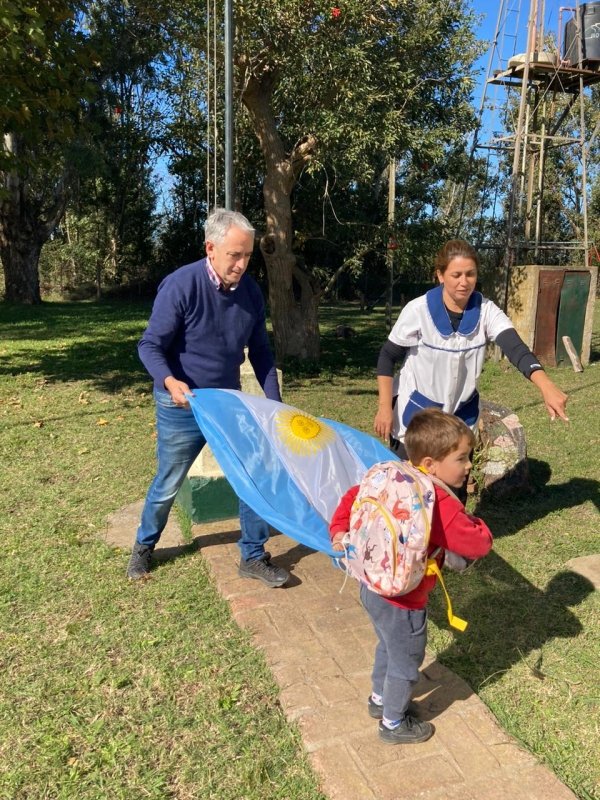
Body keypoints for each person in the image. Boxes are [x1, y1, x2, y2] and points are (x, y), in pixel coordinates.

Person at [127, 208, 290, 588]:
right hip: (180, 404)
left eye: (248, 255)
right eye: (235, 254)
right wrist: (169, 382)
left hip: (225, 403)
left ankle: (252, 555)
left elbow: (262, 352)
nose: (242, 263)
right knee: (168, 481)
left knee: (252, 472)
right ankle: (143, 547)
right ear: (211, 248)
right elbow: (149, 345)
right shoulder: (181, 285)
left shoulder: (250, 292)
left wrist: (274, 403)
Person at [329, 409, 493, 744]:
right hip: (404, 598)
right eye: (461, 458)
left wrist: (337, 531)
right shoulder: (438, 502)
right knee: (407, 660)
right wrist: (478, 523)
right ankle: (393, 723)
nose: (469, 466)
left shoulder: (393, 473)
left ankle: (379, 699)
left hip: (370, 584)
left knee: (388, 646)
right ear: (431, 464)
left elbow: (351, 497)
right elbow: (478, 544)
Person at [374, 239, 569, 455]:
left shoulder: (486, 311)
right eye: (456, 275)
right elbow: (387, 356)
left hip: (461, 416)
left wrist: (546, 385)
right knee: (410, 485)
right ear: (440, 275)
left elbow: (515, 348)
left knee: (452, 485)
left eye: (470, 274)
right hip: (418, 417)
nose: (464, 282)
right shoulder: (418, 311)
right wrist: (384, 408)